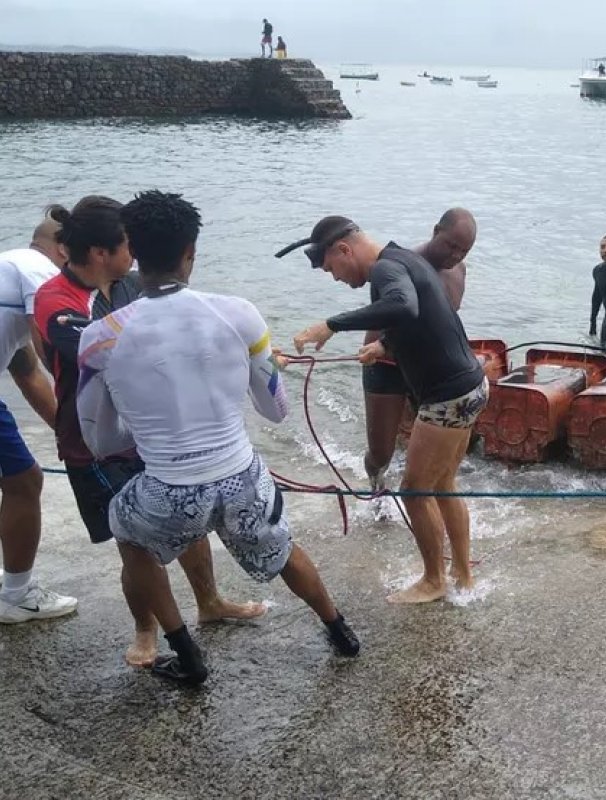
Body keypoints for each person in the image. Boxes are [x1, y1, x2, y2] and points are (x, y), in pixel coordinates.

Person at [76, 191, 359, 684]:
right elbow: (275, 410)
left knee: (127, 531)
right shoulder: (240, 314)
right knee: (283, 548)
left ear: (134, 253)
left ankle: (186, 654)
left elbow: (99, 437)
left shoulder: (99, 337)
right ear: (191, 252)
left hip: (166, 488)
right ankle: (339, 631)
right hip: (240, 477)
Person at [34, 195, 262, 667]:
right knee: (132, 543)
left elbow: (172, 323)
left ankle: (210, 602)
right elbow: (95, 350)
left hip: (152, 437)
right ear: (101, 252)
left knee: (190, 521)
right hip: (93, 446)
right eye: (126, 245)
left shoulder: (131, 285)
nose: (134, 253)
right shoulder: (56, 298)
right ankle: (146, 630)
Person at [284, 216, 488, 604]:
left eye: (331, 268)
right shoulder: (403, 259)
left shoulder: (386, 269)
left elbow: (401, 305)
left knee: (414, 489)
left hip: (447, 396)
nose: (335, 278)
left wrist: (331, 324)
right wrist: (384, 346)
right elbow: (422, 315)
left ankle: (433, 581)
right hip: (472, 385)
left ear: (344, 250)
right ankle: (461, 574)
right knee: (443, 484)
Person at [358, 208, 477, 491]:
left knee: (437, 456)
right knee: (380, 453)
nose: (455, 255)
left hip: (430, 370)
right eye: (451, 245)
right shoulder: (399, 266)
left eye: (464, 250)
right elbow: (391, 316)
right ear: (436, 230)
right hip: (386, 363)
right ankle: (376, 486)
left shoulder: (459, 271)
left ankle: (427, 492)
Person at [0, 211, 77, 624]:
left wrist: (69, 436)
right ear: (64, 249)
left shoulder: (8, 269)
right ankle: (16, 595)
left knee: (19, 479)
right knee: (24, 481)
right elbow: (50, 343)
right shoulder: (39, 270)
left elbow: (28, 372)